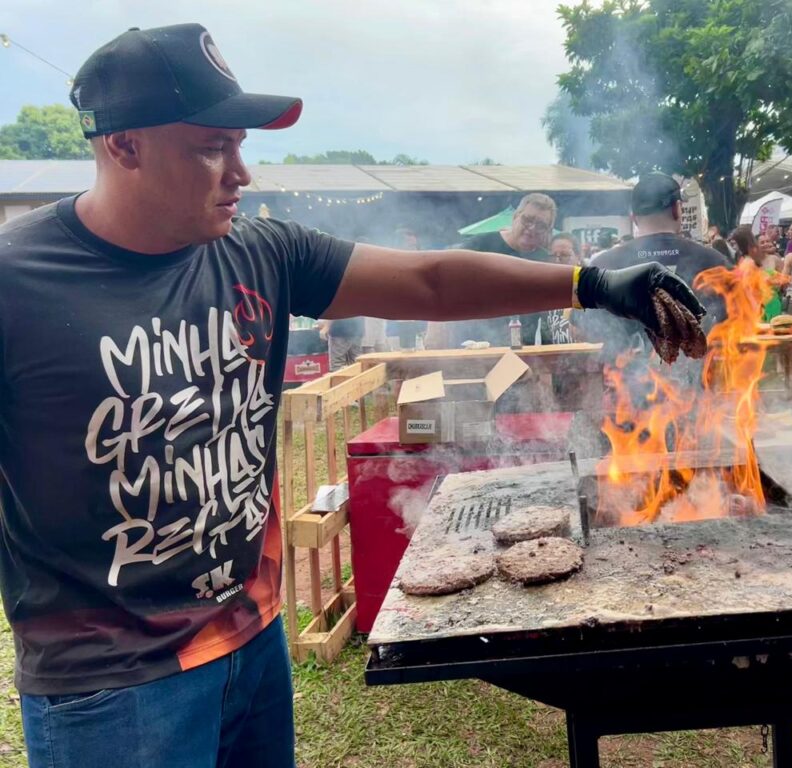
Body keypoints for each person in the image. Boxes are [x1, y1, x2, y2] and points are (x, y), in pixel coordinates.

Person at [0, 24, 703, 768]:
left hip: (252, 637)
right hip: (113, 686)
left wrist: (590, 283)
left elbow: (428, 279)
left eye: (241, 146)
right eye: (212, 147)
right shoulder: (20, 283)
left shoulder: (259, 251)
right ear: (124, 145)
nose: (241, 172)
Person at [584, 172, 728, 356]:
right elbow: (735, 323)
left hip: (625, 380)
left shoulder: (603, 264)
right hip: (697, 378)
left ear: (634, 218)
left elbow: (588, 328)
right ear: (677, 209)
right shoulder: (713, 261)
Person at [444, 193, 558, 346]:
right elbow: (445, 281)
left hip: (525, 347)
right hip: (475, 344)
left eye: (541, 225)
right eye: (528, 220)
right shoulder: (480, 245)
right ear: (515, 216)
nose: (532, 228)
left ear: (548, 230)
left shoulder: (545, 259)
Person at [735, 226, 784, 321]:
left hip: (772, 300)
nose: (766, 244)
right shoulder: (748, 261)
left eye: (767, 241)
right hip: (755, 301)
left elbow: (784, 282)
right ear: (756, 245)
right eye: (762, 242)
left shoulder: (775, 259)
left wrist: (775, 282)